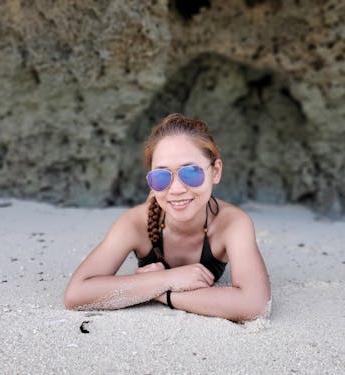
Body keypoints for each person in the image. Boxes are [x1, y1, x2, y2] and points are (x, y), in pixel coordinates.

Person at [64, 113, 271, 321]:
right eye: (162, 177)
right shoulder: (135, 223)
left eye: (190, 173)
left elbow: (254, 305)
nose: (177, 189)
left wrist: (161, 292)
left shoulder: (232, 223)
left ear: (215, 172)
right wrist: (168, 279)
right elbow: (76, 295)